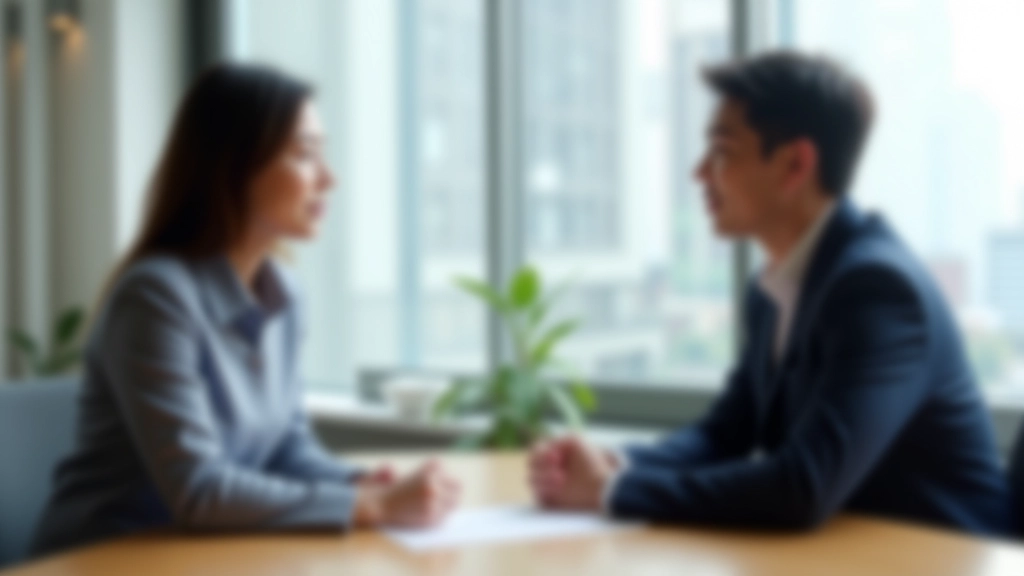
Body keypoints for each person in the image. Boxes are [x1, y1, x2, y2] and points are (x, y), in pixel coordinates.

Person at [529, 51, 1017, 536]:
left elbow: (802, 485)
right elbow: (726, 435)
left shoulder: (877, 291)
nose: (700, 172)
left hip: (946, 557)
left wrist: (611, 493)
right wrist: (614, 464)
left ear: (794, 165)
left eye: (723, 151)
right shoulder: (773, 290)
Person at [32, 63, 460, 556]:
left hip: (207, 552)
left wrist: (360, 481)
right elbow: (198, 489)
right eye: (305, 155)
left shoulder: (285, 292)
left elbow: (285, 447)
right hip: (111, 556)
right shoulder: (155, 296)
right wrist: (374, 506)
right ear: (232, 166)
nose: (328, 179)